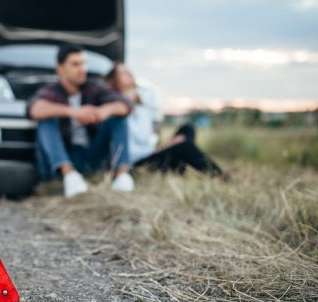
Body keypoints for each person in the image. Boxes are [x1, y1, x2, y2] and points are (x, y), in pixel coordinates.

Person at [28, 44, 135, 197]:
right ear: (60, 69)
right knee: (45, 121)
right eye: (75, 64)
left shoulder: (93, 88)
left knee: (118, 116)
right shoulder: (51, 91)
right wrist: (74, 112)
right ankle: (70, 176)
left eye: (83, 63)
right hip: (66, 157)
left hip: (92, 155)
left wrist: (103, 112)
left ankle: (122, 175)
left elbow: (126, 105)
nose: (82, 68)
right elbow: (34, 109)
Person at [106, 64, 225, 178]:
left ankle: (177, 167)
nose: (129, 73)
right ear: (112, 81)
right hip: (137, 163)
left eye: (127, 70)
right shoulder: (115, 107)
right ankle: (220, 177)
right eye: (122, 72)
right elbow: (132, 144)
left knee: (187, 129)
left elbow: (146, 140)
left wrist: (166, 146)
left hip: (150, 154)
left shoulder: (141, 107)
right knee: (185, 146)